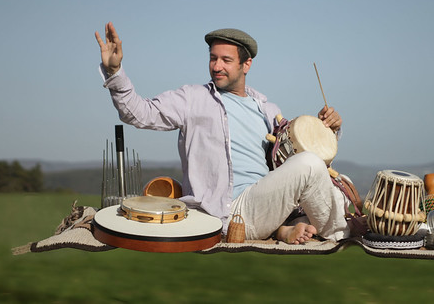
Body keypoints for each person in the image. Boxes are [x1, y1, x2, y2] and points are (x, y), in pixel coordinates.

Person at [95, 22, 350, 244]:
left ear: (246, 64)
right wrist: (115, 72)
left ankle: (284, 227)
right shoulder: (193, 98)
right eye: (213, 58)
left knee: (336, 180)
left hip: (265, 202)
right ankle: (343, 233)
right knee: (308, 164)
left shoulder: (268, 110)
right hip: (231, 213)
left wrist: (329, 131)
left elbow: (296, 159)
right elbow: (138, 113)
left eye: (226, 60)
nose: (217, 66)